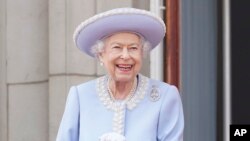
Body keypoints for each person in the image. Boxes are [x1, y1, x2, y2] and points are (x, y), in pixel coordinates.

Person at [56, 7, 184, 141]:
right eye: (117, 47)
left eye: (133, 48)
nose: (125, 55)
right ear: (101, 54)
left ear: (142, 53)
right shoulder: (81, 96)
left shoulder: (165, 97)